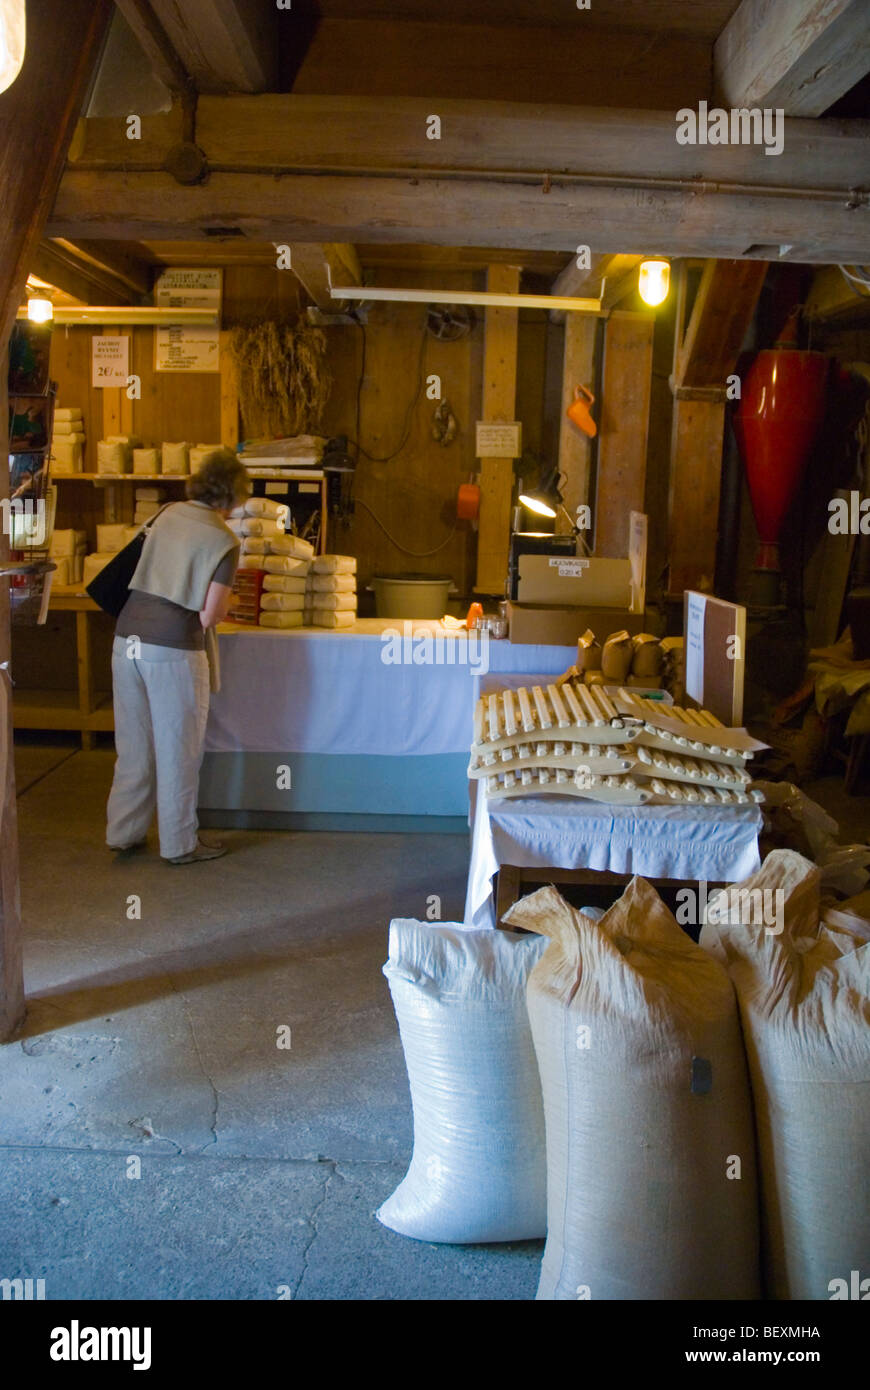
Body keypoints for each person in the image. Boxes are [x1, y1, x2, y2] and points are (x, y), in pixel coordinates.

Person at [106, 448, 249, 864]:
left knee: (133, 745)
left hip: (125, 639)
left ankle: (123, 832)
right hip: (172, 649)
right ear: (233, 496)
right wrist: (233, 595)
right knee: (179, 750)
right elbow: (208, 615)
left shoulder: (167, 512)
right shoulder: (224, 541)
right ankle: (180, 843)